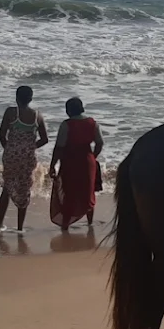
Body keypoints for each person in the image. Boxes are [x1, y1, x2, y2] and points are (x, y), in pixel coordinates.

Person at [0, 85, 49, 233]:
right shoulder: (37, 115)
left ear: (16, 98)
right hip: (28, 157)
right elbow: (45, 139)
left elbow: (1, 135)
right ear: (31, 99)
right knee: (24, 190)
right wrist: (30, 147)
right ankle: (20, 228)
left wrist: (9, 148)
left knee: (7, 188)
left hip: (11, 155)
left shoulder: (11, 112)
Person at [49, 97, 104, 230]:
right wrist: (93, 157)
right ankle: (90, 222)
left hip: (70, 161)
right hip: (88, 161)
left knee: (69, 193)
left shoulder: (66, 125)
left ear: (68, 111)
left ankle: (65, 225)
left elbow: (59, 147)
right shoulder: (93, 123)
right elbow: (100, 143)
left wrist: (53, 165)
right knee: (88, 192)